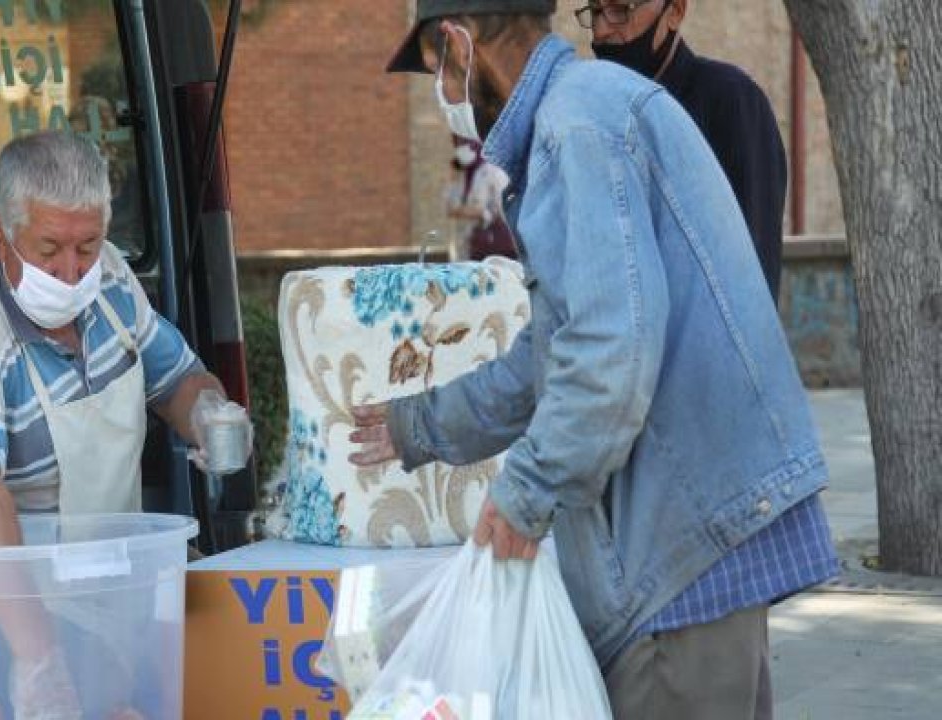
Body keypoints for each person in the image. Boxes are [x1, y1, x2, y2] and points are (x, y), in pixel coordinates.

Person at [357, 2, 838, 717]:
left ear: (459, 44)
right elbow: (554, 355)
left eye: (438, 76)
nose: (446, 102)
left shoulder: (576, 125)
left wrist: (527, 493)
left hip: (675, 553)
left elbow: (611, 348)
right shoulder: (590, 109)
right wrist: (418, 425)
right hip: (695, 536)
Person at [0, 131, 252, 718]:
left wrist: (212, 416)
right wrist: (39, 660)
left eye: (87, 244)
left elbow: (180, 381)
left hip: (105, 580)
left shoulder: (110, 282)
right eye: (49, 248)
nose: (70, 271)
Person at [581, 0, 788, 302]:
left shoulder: (730, 100)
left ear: (675, 11)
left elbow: (753, 265)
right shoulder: (597, 112)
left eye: (619, 11)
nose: (601, 31)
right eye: (595, 12)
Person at [444, 138, 515, 261]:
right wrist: (453, 177)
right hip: (466, 245)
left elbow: (503, 207)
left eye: (466, 144)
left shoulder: (492, 171)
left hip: (492, 244)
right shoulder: (460, 173)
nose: (462, 148)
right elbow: (449, 208)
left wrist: (479, 213)